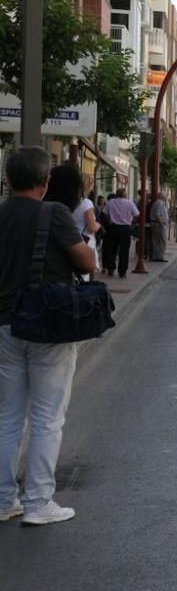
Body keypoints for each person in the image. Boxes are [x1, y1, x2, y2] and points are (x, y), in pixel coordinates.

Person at [0, 146, 97, 526]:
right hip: (46, 324)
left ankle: (4, 499)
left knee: (8, 416)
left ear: (8, 179)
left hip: (5, 324)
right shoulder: (53, 212)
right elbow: (86, 262)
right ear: (44, 182)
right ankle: (39, 502)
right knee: (47, 417)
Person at [103, 187, 139, 278]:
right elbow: (136, 215)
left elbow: (105, 214)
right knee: (124, 251)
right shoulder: (129, 203)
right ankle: (122, 272)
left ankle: (111, 268)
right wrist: (132, 225)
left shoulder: (110, 202)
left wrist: (110, 221)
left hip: (113, 228)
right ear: (125, 195)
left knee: (111, 249)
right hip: (125, 228)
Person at [149, 192, 169, 262]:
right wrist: (162, 224)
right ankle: (160, 257)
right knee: (162, 241)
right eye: (165, 195)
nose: (166, 197)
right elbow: (157, 215)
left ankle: (156, 256)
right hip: (158, 224)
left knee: (156, 241)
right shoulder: (160, 203)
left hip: (156, 224)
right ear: (162, 197)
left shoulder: (158, 203)